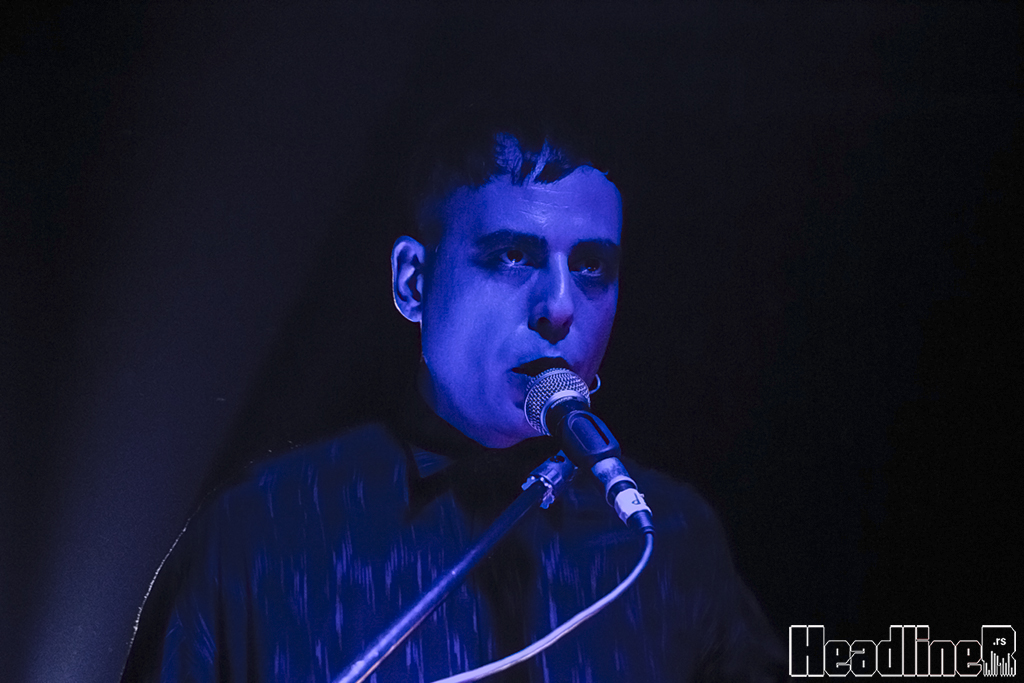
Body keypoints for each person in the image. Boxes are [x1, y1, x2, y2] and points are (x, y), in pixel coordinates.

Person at [120, 107, 786, 682]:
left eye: (591, 266)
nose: (560, 306)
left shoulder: (668, 540)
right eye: (513, 256)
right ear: (413, 282)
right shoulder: (261, 530)